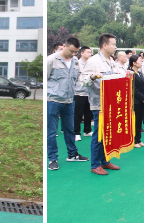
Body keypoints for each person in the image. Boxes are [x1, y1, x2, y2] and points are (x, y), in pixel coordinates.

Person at [79, 33, 123, 175]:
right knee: (99, 135)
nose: (115, 47)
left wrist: (126, 75)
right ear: (104, 45)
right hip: (100, 104)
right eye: (113, 44)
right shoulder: (93, 61)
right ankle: (95, 164)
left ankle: (104, 160)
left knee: (108, 134)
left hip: (112, 103)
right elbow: (83, 81)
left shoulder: (112, 61)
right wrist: (93, 76)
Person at [46, 37, 88, 171]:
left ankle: (72, 154)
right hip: (53, 101)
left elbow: (80, 78)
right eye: (71, 51)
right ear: (64, 46)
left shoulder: (75, 61)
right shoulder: (51, 60)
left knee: (70, 129)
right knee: (51, 132)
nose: (73, 54)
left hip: (69, 101)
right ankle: (52, 159)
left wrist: (92, 78)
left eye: (75, 52)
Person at [73, 46, 94, 141]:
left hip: (89, 92)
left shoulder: (91, 64)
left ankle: (87, 130)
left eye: (90, 52)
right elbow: (74, 78)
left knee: (88, 113)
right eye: (88, 52)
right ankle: (76, 133)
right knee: (78, 113)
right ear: (82, 53)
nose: (90, 54)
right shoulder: (77, 64)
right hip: (79, 92)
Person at [130, 55, 144, 148]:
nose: (141, 62)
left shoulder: (139, 73)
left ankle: (138, 139)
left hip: (142, 100)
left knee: (139, 120)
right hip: (135, 101)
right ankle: (134, 140)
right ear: (134, 63)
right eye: (139, 61)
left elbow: (143, 86)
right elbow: (133, 88)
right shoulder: (130, 73)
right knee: (135, 121)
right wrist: (142, 97)